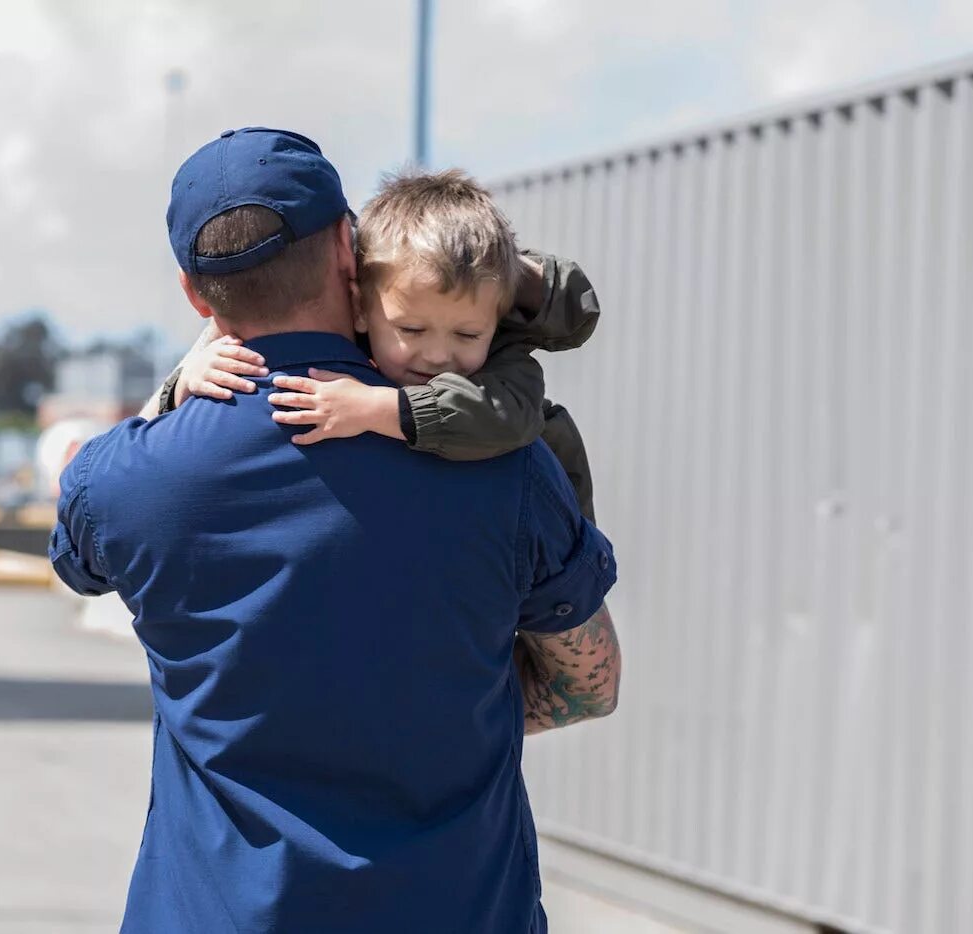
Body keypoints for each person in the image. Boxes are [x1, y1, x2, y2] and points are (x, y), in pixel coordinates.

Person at [50, 127, 621, 933]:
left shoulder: (129, 480)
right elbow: (591, 685)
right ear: (351, 253)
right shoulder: (507, 464)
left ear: (194, 294)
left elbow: (78, 551)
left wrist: (176, 388)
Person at [156, 167, 601, 523]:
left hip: (544, 559)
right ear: (360, 306)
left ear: (497, 318)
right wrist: (187, 379)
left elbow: (506, 419)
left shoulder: (505, 364)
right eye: (411, 330)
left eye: (467, 334)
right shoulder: (352, 325)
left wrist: (375, 408)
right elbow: (256, 320)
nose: (439, 354)